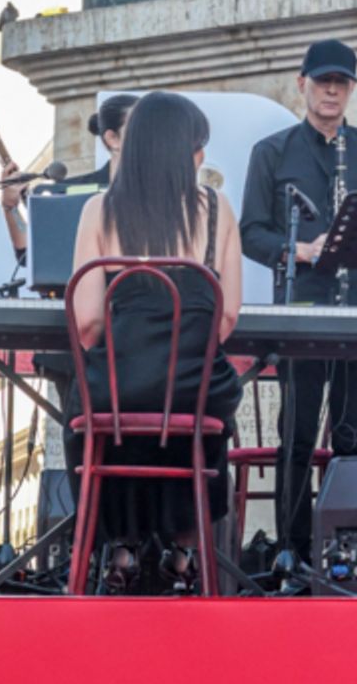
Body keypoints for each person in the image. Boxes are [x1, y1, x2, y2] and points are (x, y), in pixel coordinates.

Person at [67, 91, 243, 590]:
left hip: (120, 387)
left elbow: (87, 324)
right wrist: (181, 352)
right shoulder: (217, 209)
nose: (202, 157)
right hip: (193, 386)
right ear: (181, 150)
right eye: (197, 146)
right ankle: (184, 549)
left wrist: (135, 355)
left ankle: (120, 546)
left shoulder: (99, 210)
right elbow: (228, 315)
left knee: (99, 412)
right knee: (195, 417)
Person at [240, 39, 357, 563]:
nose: (331, 91)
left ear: (351, 89)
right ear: (301, 84)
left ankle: (347, 554)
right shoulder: (272, 152)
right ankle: (292, 551)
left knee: (352, 438)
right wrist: (298, 250)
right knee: (297, 436)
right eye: (322, 81)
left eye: (341, 83)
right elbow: (250, 233)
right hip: (301, 315)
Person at [0, 93, 138, 262]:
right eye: (141, 129)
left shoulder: (163, 192)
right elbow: (29, 255)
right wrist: (10, 206)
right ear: (112, 138)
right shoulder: (69, 192)